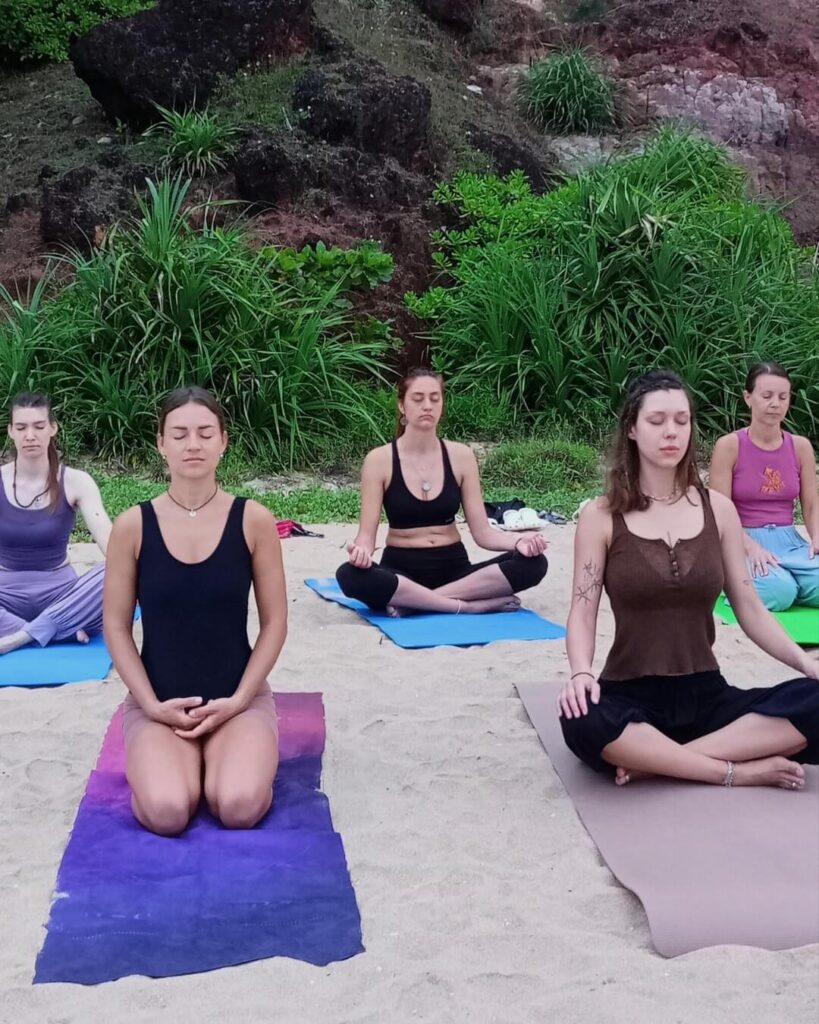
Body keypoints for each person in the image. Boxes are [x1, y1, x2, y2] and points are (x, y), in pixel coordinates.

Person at [559, 369, 819, 789]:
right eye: (657, 421)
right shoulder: (601, 515)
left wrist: (806, 663)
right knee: (581, 717)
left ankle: (654, 764)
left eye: (682, 421)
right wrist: (580, 674)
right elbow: (582, 611)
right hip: (630, 695)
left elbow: (749, 607)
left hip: (706, 695)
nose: (671, 432)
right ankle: (731, 769)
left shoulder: (719, 509)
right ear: (631, 428)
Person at [104, 387, 287, 836]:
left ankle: (226, 758)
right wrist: (149, 704)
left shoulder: (253, 520)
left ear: (224, 441)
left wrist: (242, 699)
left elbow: (276, 622)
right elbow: (116, 625)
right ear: (160, 443)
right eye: (180, 434)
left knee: (239, 806)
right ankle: (174, 766)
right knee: (167, 812)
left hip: (237, 700)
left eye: (206, 433)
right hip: (159, 703)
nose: (193, 444)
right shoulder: (132, 526)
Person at [336, 368, 548, 615]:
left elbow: (482, 533)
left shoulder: (461, 456)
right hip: (401, 573)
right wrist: (361, 553)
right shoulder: (379, 460)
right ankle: (466, 607)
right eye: (418, 399)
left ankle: (418, 603)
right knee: (349, 575)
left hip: (455, 573)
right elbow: (366, 537)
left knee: (534, 564)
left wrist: (520, 542)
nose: (427, 405)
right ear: (402, 406)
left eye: (435, 398)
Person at [0, 392, 111, 655]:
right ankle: (53, 632)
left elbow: (111, 543)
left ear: (52, 428)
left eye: (39, 426)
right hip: (5, 596)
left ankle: (21, 637)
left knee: (120, 566)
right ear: (10, 431)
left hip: (64, 597)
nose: (30, 435)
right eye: (21, 427)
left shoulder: (76, 481)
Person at [709, 362, 818, 611]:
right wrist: (750, 546)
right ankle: (759, 581)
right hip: (742, 539)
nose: (775, 404)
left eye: (782, 397)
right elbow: (719, 511)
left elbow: (811, 505)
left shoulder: (800, 447)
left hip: (790, 540)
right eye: (766, 396)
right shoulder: (729, 446)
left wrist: (817, 536)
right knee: (780, 592)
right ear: (748, 397)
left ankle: (789, 580)